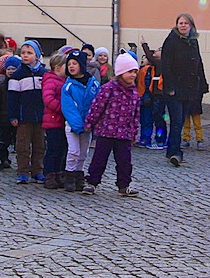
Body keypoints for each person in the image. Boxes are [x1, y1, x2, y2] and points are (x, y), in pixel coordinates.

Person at [82, 52, 142, 196]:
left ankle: (124, 185)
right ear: (121, 72)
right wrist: (90, 122)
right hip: (106, 131)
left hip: (124, 134)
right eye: (129, 72)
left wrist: (134, 132)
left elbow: (135, 115)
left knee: (124, 162)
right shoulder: (109, 88)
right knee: (99, 159)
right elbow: (97, 106)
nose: (133, 75)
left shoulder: (134, 93)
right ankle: (92, 182)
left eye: (135, 72)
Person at [158, 13, 208, 165]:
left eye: (186, 23)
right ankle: (175, 152)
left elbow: (198, 63)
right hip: (175, 88)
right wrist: (170, 87)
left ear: (191, 25)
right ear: (177, 25)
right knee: (177, 121)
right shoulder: (171, 41)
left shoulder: (193, 42)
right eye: (181, 23)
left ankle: (171, 150)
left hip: (189, 88)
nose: (183, 25)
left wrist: (202, 84)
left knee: (181, 119)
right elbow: (165, 66)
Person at [5, 39, 48, 185]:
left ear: (36, 56)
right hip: (24, 116)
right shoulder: (18, 75)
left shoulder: (44, 73)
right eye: (23, 53)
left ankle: (37, 171)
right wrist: (13, 115)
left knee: (39, 145)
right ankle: (23, 171)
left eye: (29, 53)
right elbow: (12, 98)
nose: (25, 55)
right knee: (23, 145)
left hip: (40, 116)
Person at [61, 50, 100, 192]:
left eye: (75, 63)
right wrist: (78, 125)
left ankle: (79, 175)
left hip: (88, 126)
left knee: (83, 153)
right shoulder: (68, 86)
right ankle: (69, 175)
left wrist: (91, 123)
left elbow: (97, 104)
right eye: (69, 64)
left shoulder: (94, 84)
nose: (71, 66)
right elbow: (69, 108)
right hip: (73, 126)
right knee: (73, 151)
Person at [41, 48, 71, 189]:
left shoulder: (63, 81)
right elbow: (48, 99)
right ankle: (49, 174)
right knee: (53, 149)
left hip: (61, 121)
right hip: (53, 120)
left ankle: (58, 173)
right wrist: (62, 108)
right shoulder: (51, 81)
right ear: (58, 68)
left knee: (61, 149)